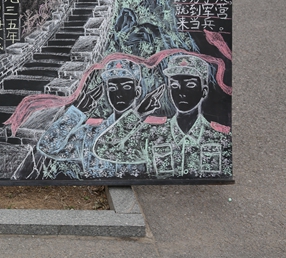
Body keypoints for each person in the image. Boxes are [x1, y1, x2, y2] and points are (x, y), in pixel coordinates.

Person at [93, 54, 232, 179]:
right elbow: (103, 149)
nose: (182, 92)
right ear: (170, 90)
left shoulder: (220, 138)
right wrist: (138, 113)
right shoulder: (153, 134)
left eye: (190, 85)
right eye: (175, 86)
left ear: (204, 91)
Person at [37, 59, 162, 179]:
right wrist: (78, 112)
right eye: (112, 88)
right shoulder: (90, 133)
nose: (119, 94)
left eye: (126, 87)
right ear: (107, 92)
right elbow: (47, 147)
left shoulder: (149, 131)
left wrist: (138, 114)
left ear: (137, 91)